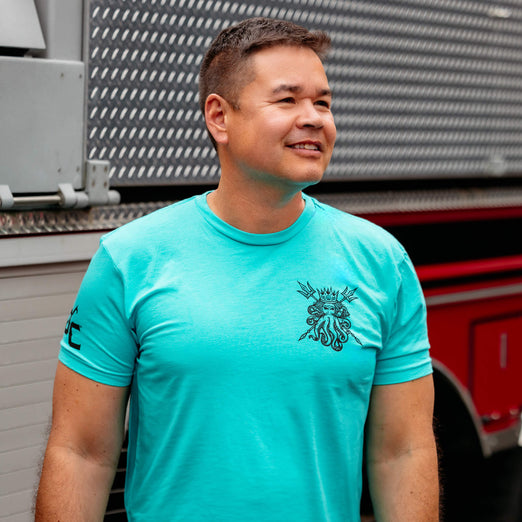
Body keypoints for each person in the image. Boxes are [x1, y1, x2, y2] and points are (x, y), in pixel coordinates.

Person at [35, 17, 439, 521]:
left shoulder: (382, 263)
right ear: (219, 117)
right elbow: (81, 452)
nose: (314, 118)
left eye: (324, 102)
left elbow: (403, 452)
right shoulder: (131, 258)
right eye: (287, 100)